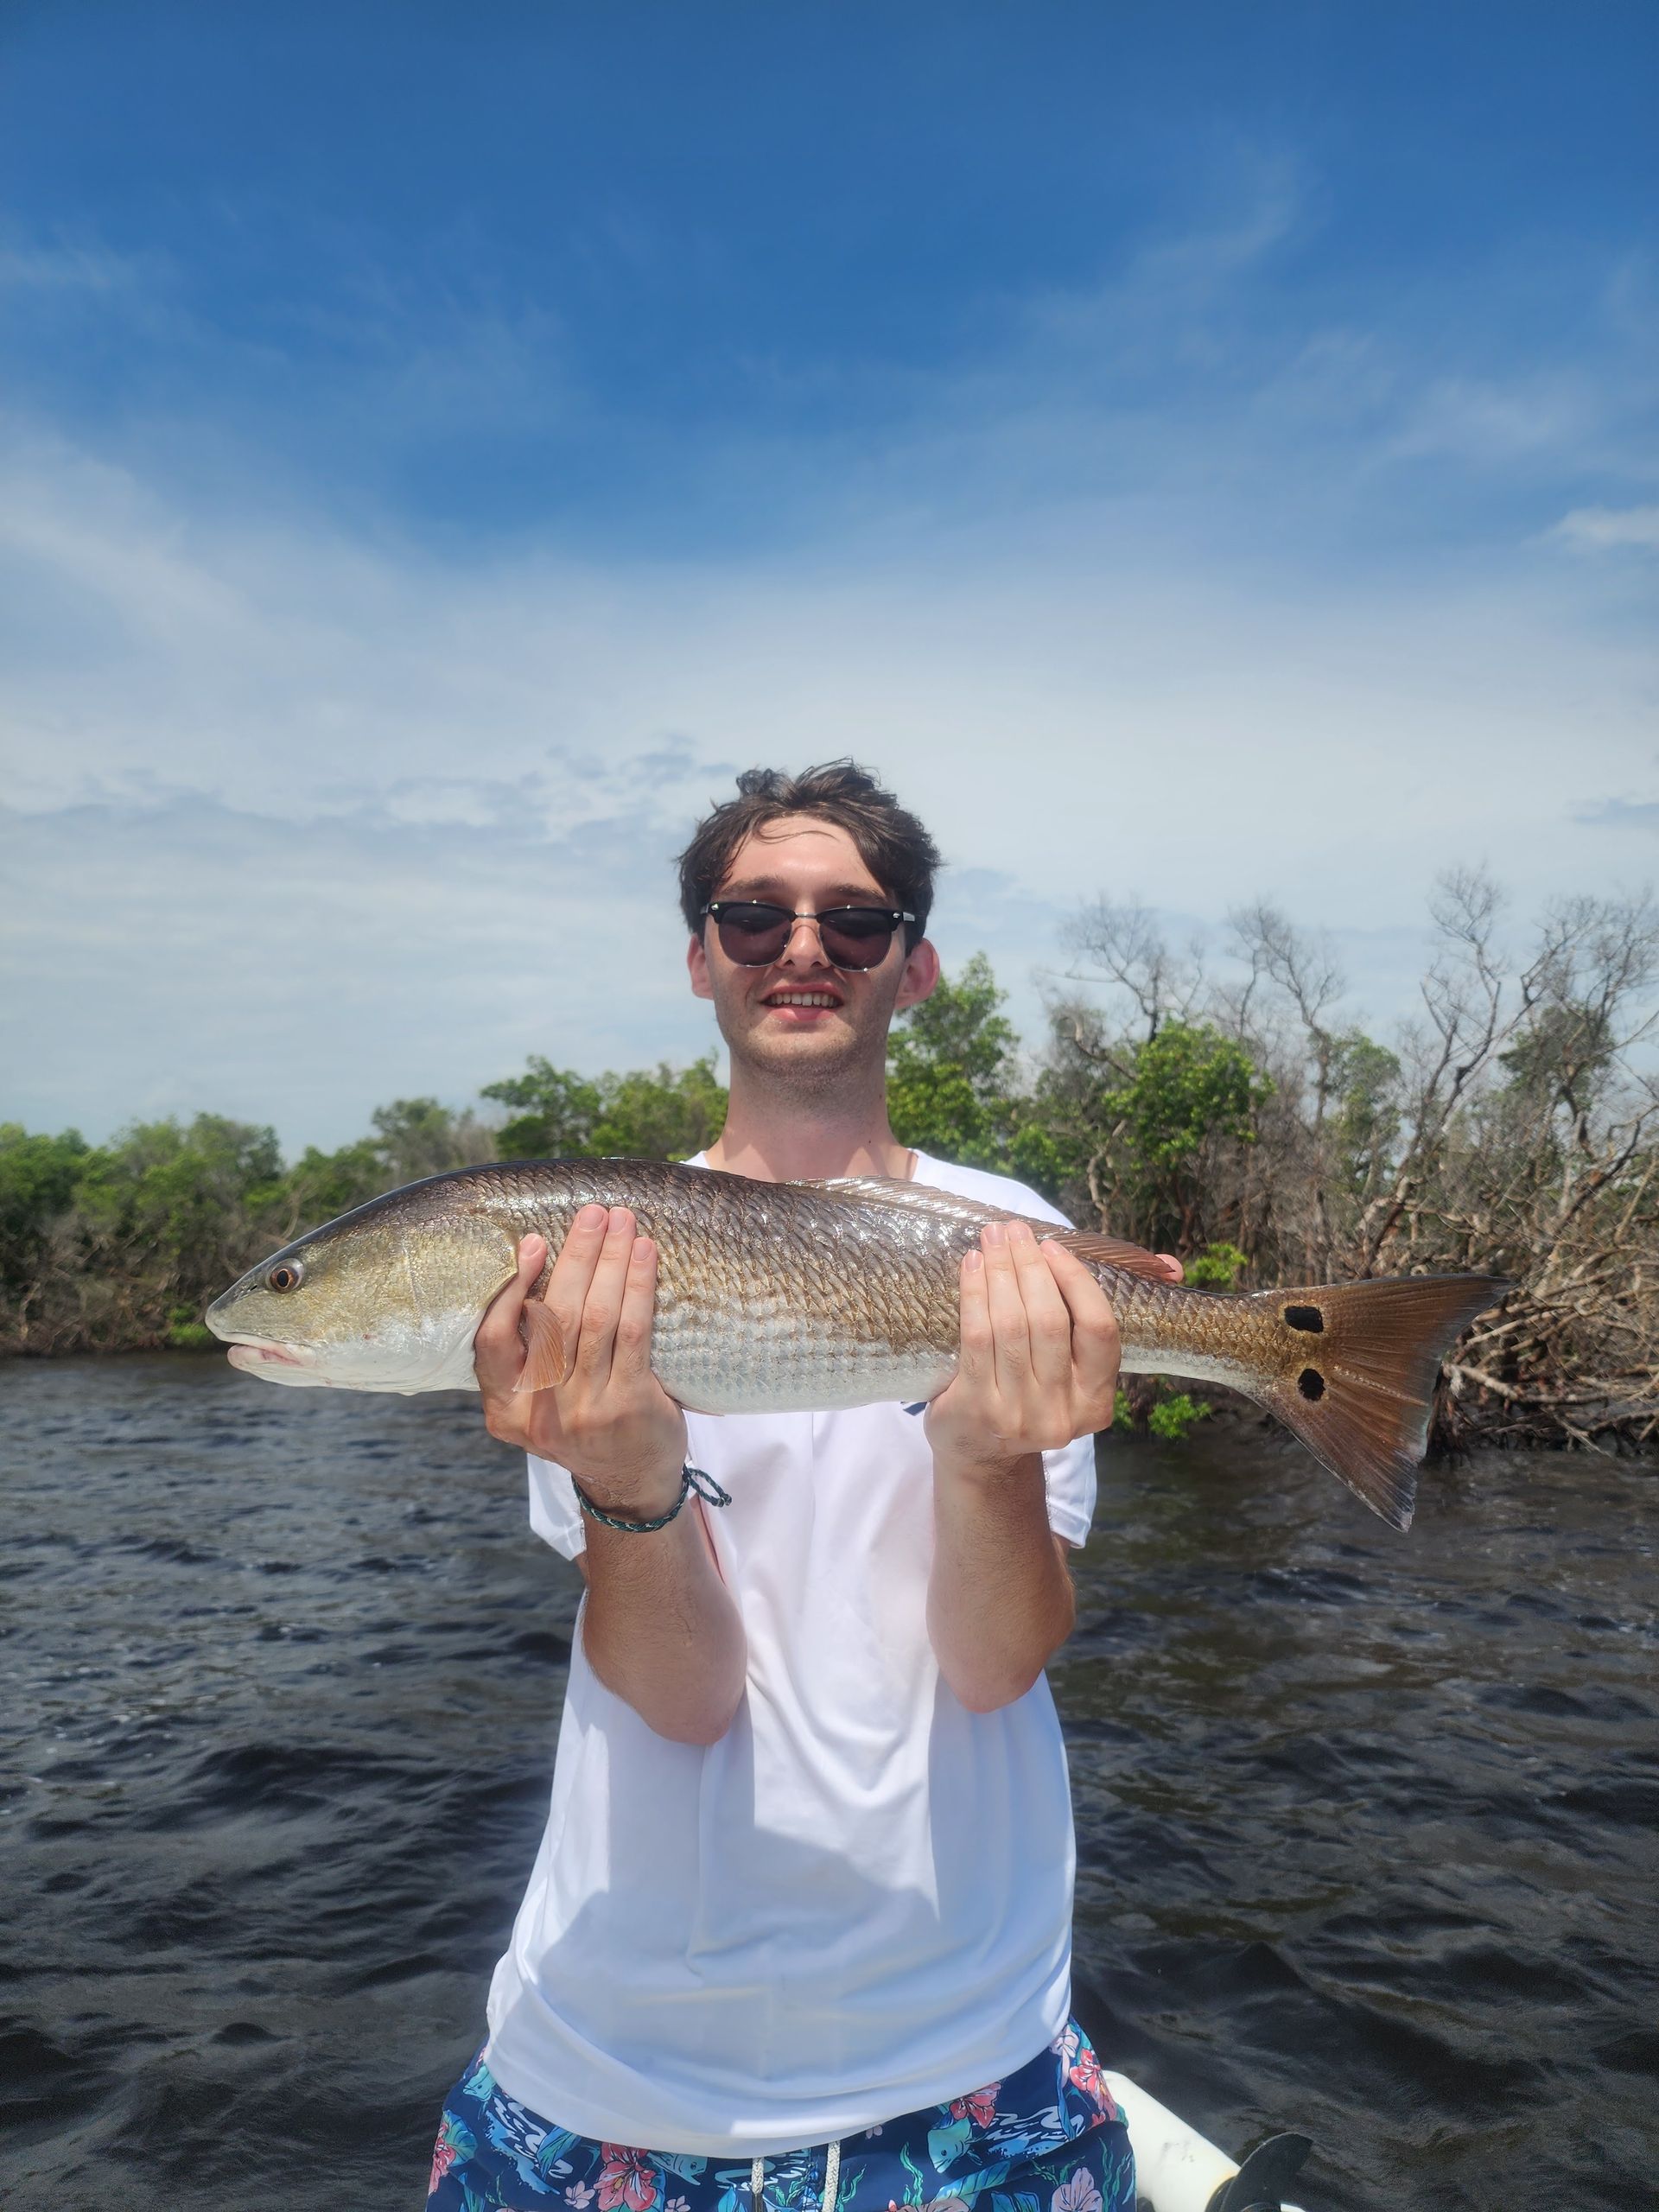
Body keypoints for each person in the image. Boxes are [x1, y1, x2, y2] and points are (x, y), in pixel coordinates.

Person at [428, 762, 1166, 2212]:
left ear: (917, 963)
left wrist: (987, 1451)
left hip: (968, 2059)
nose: (804, 948)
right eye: (756, 918)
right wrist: (629, 1477)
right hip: (606, 2068)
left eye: (857, 918)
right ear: (703, 957)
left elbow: (995, 1659)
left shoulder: (1013, 1244)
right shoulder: (589, 1267)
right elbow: (687, 1696)